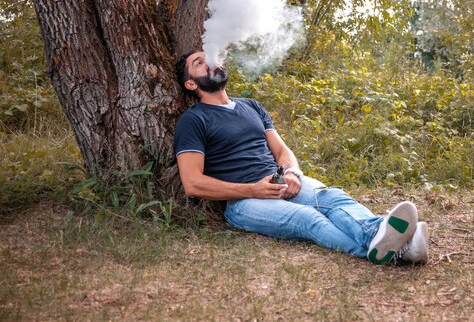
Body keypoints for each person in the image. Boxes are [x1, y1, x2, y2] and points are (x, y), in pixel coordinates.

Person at [174, 51, 429, 265]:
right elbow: (193, 183)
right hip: (244, 202)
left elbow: (283, 152)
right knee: (309, 219)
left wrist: (291, 173)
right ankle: (399, 251)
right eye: (198, 63)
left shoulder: (251, 106)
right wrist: (253, 189)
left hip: (280, 181)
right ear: (191, 84)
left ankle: (380, 234)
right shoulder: (194, 120)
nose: (208, 61)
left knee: (330, 197)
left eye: (208, 56)